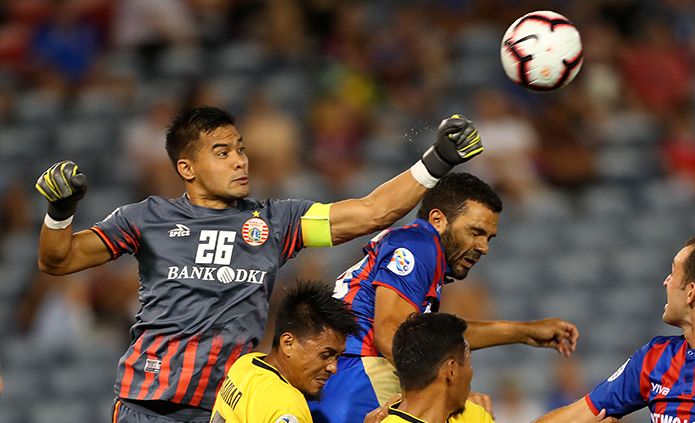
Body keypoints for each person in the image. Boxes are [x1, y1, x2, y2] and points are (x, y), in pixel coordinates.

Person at [35, 106, 483, 422]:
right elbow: (60, 260)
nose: (240, 160)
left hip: (229, 407)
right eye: (223, 151)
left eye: (241, 148)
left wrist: (436, 161)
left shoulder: (275, 221)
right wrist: (60, 212)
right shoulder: (146, 218)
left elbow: (370, 213)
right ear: (187, 168)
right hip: (146, 406)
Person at [310, 172, 580, 423]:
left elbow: (435, 343)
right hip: (361, 374)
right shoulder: (418, 245)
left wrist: (523, 332)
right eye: (475, 232)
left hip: (353, 374)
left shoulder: (424, 253)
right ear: (438, 220)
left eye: (489, 238)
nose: (483, 247)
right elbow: (389, 332)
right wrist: (444, 391)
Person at [535, 236, 695, 423]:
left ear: (691, 292)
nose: (666, 282)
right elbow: (576, 417)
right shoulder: (655, 357)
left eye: (673, 273)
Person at [210, 280, 359, 423]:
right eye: (325, 355)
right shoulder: (287, 405)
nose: (333, 368)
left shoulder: (246, 363)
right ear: (288, 343)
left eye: (337, 357)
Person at [376, 312, 494, 423]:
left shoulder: (475, 415)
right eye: (469, 362)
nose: (471, 372)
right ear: (451, 370)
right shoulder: (473, 418)